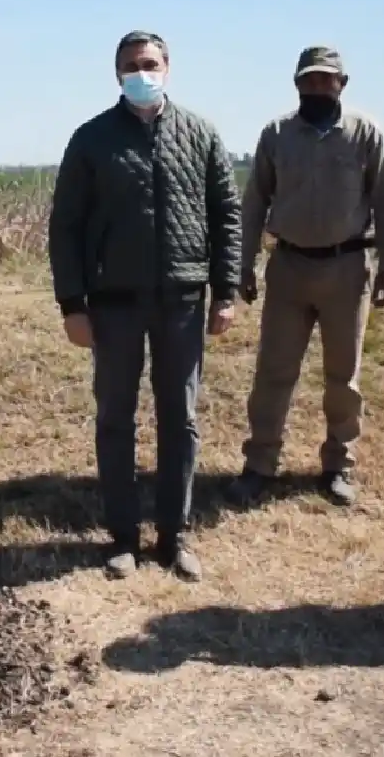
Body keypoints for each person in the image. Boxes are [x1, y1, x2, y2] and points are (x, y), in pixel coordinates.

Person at [48, 30, 242, 581]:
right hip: (113, 304)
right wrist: (72, 304)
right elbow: (66, 226)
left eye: (150, 63)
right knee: (115, 418)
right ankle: (123, 537)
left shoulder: (200, 134)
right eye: (131, 65)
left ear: (168, 68)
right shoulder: (91, 140)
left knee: (180, 418)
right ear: (117, 74)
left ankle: (175, 534)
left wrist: (225, 292)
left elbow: (227, 215)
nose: (142, 71)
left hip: (182, 299)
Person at [228, 46, 384, 508]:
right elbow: (253, 204)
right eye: (310, 80)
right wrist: (242, 264)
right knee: (273, 373)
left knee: (343, 377)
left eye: (327, 80)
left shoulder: (366, 133)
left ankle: (338, 466)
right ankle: (260, 464)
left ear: (343, 84)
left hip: (347, 269)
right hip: (288, 268)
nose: (318, 87)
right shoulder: (277, 134)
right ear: (296, 83)